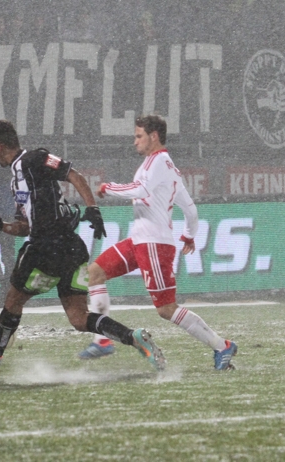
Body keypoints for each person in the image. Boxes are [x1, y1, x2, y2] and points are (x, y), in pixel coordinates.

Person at [0, 119, 166, 371]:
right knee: (79, 318)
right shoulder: (17, 180)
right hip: (71, 249)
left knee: (14, 300)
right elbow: (24, 226)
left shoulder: (33, 159)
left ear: (0, 146)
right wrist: (1, 225)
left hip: (45, 248)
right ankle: (133, 338)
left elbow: (72, 174)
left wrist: (92, 208)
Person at [78, 115, 238, 370]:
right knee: (93, 275)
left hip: (153, 244)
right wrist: (188, 234)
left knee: (166, 309)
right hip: (139, 242)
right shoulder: (163, 166)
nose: (135, 142)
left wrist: (109, 188)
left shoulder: (159, 162)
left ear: (154, 136)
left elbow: (141, 190)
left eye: (138, 136)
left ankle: (222, 346)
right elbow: (190, 209)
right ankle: (103, 341)